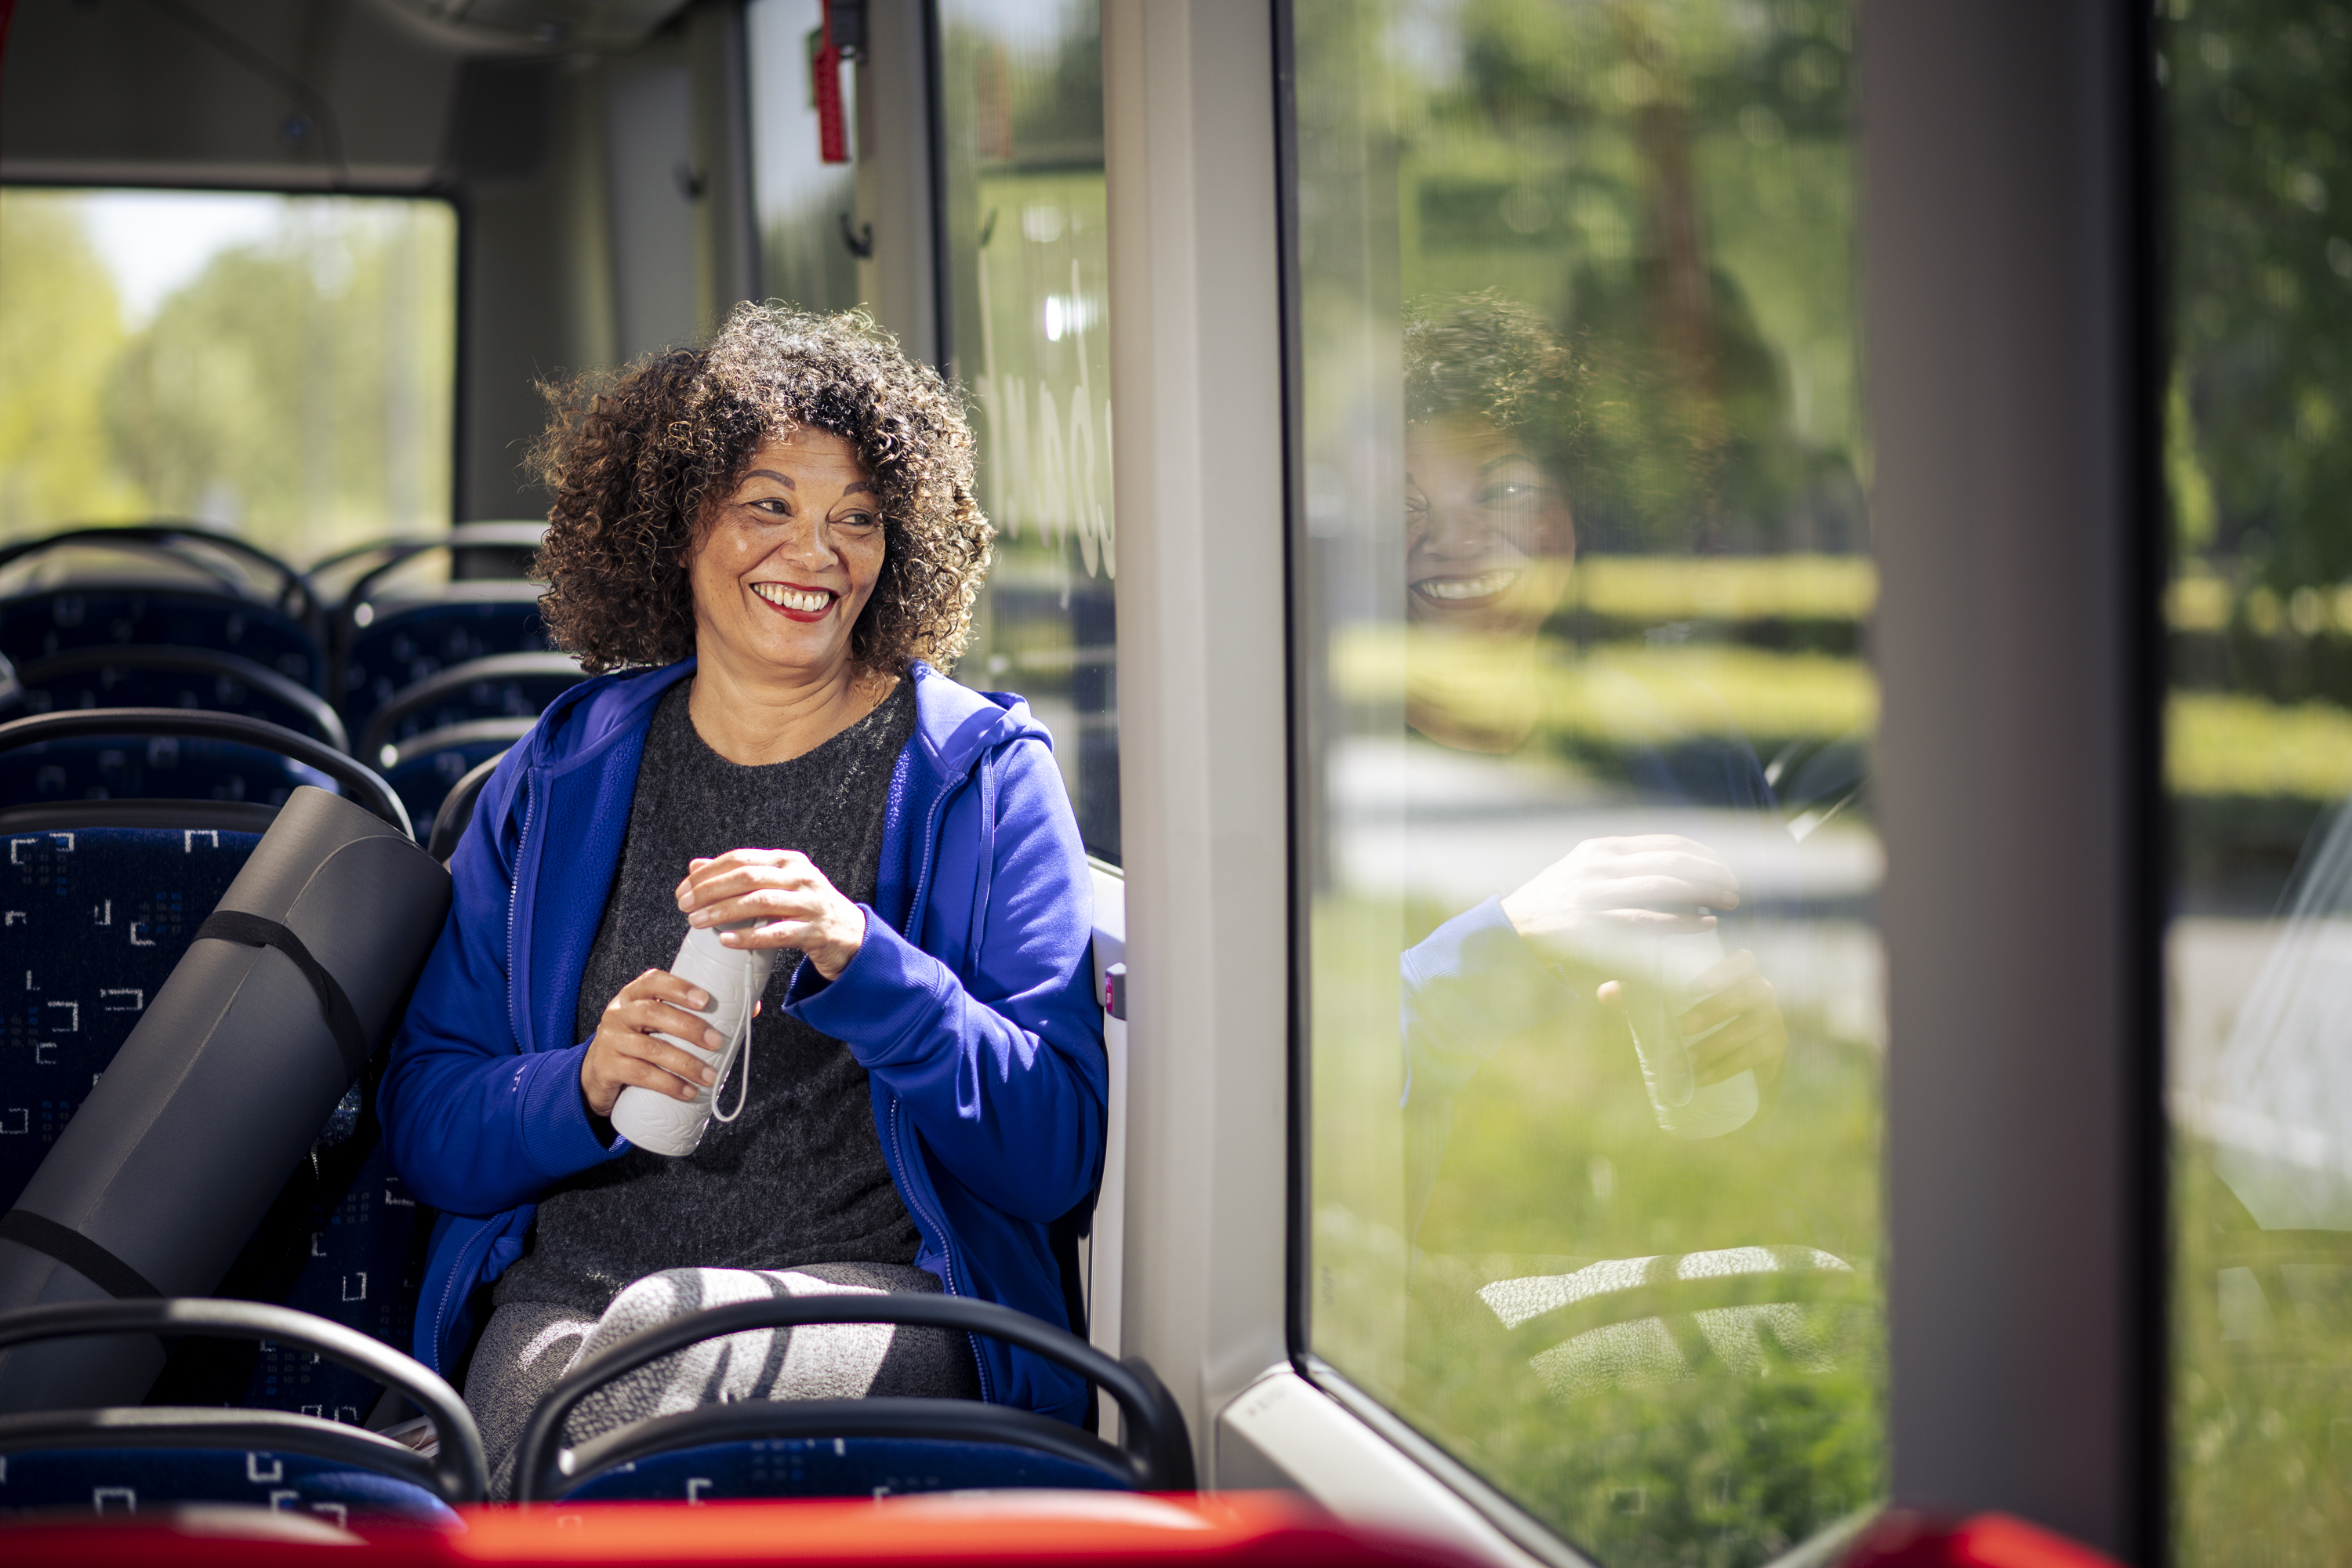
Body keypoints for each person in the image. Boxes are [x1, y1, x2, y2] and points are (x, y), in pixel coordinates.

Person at [379, 304, 1105, 1496]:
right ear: (675, 526)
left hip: (882, 1301)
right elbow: (430, 1121)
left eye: (856, 517)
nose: (816, 553)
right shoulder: (556, 774)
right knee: (587, 1402)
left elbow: (1051, 1152)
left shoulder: (982, 776)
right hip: (573, 1292)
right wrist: (583, 1082)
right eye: (768, 504)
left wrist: (864, 957)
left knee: (626, 1400)